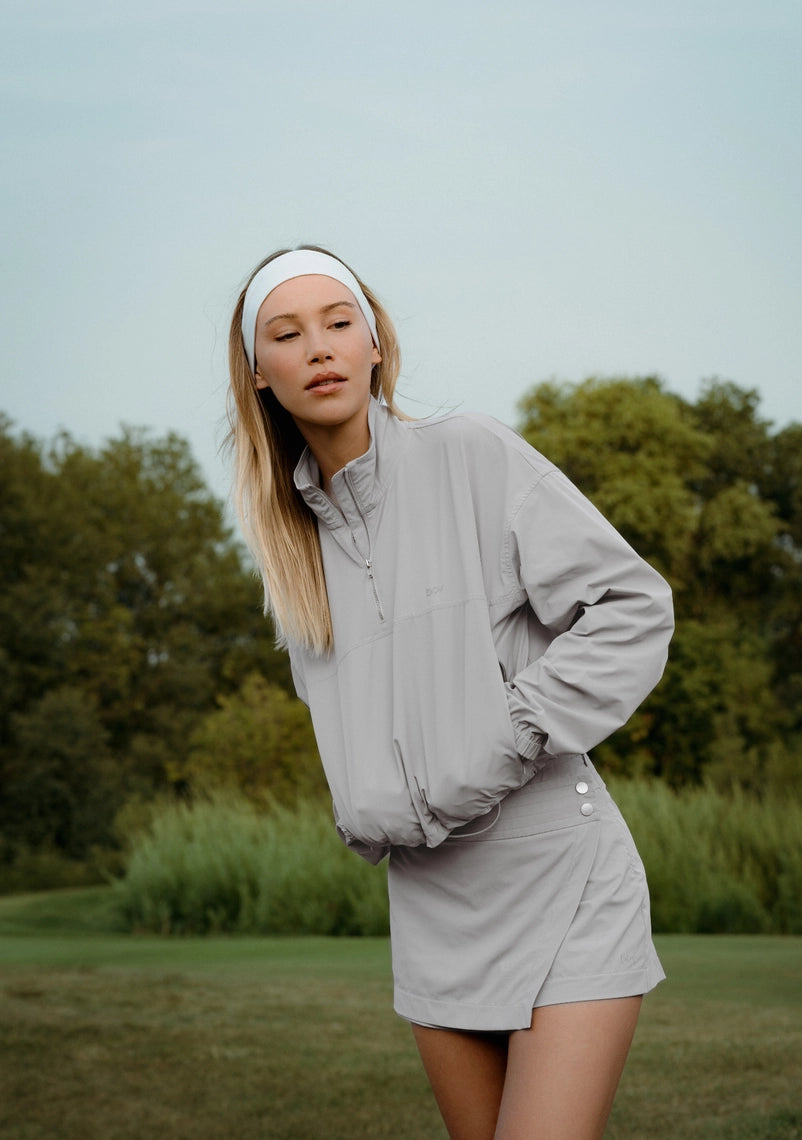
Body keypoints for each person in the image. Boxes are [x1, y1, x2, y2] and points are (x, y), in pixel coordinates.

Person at [226, 245, 674, 1140]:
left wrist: (507, 731)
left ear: (375, 344)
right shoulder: (294, 560)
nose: (318, 348)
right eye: (288, 334)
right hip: (430, 899)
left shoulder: (468, 454)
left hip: (559, 877)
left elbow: (631, 606)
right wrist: (364, 802)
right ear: (260, 376)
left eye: (338, 323)